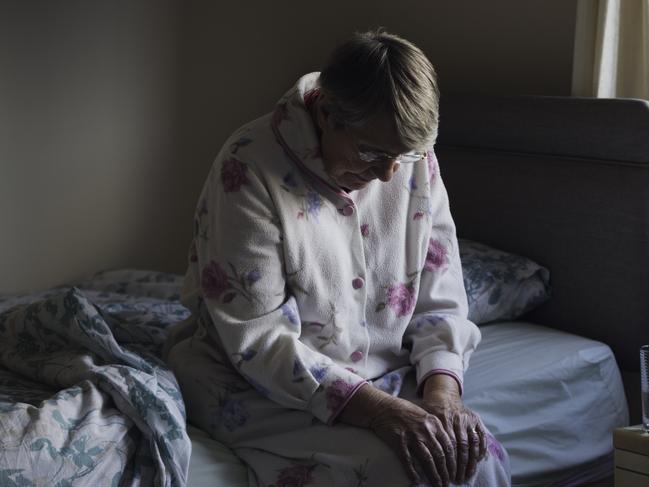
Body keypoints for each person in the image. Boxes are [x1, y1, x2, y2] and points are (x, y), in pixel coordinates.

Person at [165, 29, 511, 487]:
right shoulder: (249, 167)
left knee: (473, 458)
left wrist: (443, 397)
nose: (387, 174)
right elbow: (259, 339)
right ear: (326, 113)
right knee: (397, 472)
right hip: (257, 384)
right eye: (371, 152)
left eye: (403, 157)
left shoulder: (412, 160)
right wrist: (379, 411)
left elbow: (439, 300)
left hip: (382, 377)